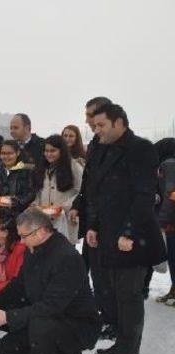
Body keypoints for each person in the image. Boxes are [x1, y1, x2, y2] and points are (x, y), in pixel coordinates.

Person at [84, 103, 166, 354]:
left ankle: (130, 352)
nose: (97, 131)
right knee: (115, 292)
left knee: (129, 296)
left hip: (133, 236)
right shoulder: (100, 148)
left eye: (101, 125)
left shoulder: (141, 149)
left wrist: (129, 232)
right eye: (95, 126)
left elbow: (144, 196)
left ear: (119, 122)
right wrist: (93, 225)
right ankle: (122, 343)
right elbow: (96, 193)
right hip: (108, 233)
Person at [0, 208, 99, 354]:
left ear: (41, 232)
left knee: (41, 322)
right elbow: (19, 285)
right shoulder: (34, 249)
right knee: (6, 349)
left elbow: (52, 306)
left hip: (76, 323)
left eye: (24, 236)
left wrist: (9, 316)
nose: (21, 241)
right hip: (49, 317)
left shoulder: (66, 257)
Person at [68, 96, 115, 338]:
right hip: (92, 221)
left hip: (109, 222)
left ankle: (113, 321)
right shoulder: (96, 143)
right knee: (93, 270)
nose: (87, 121)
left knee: (106, 274)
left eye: (91, 116)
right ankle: (103, 314)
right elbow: (88, 181)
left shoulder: (117, 144)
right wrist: (78, 204)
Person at [33, 135, 83, 244]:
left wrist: (64, 206)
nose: (49, 154)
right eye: (46, 151)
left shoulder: (74, 167)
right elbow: (38, 191)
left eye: (53, 151)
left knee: (64, 253)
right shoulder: (43, 168)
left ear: (62, 151)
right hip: (45, 219)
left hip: (65, 218)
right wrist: (35, 204)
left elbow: (82, 191)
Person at [0, 140, 35, 213]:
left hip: (21, 214)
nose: (6, 156)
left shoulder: (27, 170)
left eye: (10, 153)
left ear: (17, 153)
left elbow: (31, 193)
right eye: (3, 153)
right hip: (0, 214)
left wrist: (14, 202)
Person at [156, 138, 175, 304]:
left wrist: (162, 220)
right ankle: (173, 290)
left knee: (174, 256)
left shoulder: (168, 164)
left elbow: (171, 195)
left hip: (171, 221)